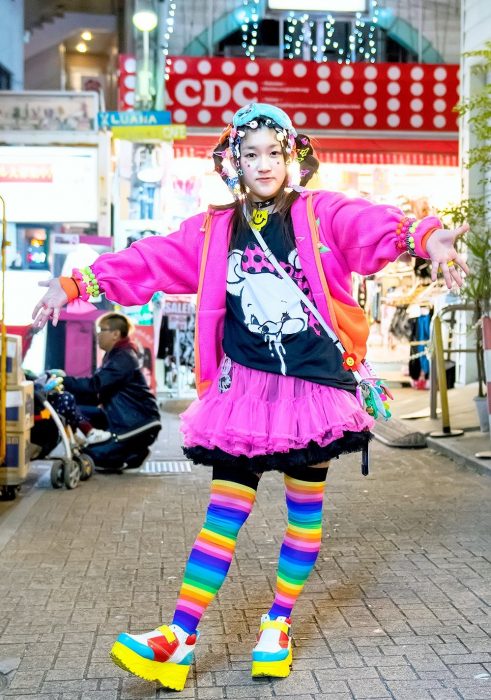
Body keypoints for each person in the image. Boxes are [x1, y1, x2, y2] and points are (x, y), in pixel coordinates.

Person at [32, 103, 469, 691]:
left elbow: (367, 225)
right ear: (232, 161)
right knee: (222, 514)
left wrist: (425, 236)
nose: (263, 164)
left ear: (293, 156)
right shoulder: (214, 230)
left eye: (274, 152)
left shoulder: (321, 212)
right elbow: (152, 258)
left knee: (303, 510)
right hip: (244, 393)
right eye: (250, 153)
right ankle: (180, 636)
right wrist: (77, 283)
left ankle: (277, 626)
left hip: (312, 389)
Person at [58, 312, 161, 469]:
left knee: (90, 456)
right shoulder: (113, 355)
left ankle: (131, 453)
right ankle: (129, 452)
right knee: (74, 409)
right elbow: (96, 393)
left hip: (137, 423)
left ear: (115, 334)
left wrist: (63, 380)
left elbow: (95, 385)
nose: (97, 335)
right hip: (121, 418)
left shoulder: (123, 358)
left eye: (101, 330)